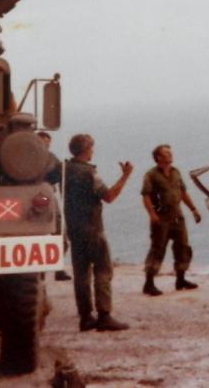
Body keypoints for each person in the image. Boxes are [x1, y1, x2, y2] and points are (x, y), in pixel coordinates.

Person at [64, 133, 133, 331]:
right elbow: (109, 196)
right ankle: (104, 315)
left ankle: (85, 317)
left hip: (74, 228)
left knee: (81, 273)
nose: (92, 151)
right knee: (103, 269)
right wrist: (125, 176)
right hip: (92, 229)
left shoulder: (66, 169)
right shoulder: (88, 173)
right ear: (86, 151)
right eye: (91, 148)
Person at [141, 144, 202, 296]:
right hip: (161, 219)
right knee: (157, 249)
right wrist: (152, 214)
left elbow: (182, 192)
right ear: (158, 157)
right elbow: (146, 196)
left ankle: (180, 279)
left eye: (170, 153)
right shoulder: (151, 175)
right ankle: (149, 283)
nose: (170, 155)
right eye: (166, 153)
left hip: (177, 217)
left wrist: (193, 209)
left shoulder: (176, 172)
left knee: (183, 247)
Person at [37, 130, 71, 282]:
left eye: (48, 144)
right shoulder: (28, 158)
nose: (46, 146)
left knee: (59, 235)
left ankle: (58, 268)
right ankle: (41, 271)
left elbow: (59, 174)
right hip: (41, 196)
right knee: (40, 233)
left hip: (48, 194)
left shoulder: (52, 158)